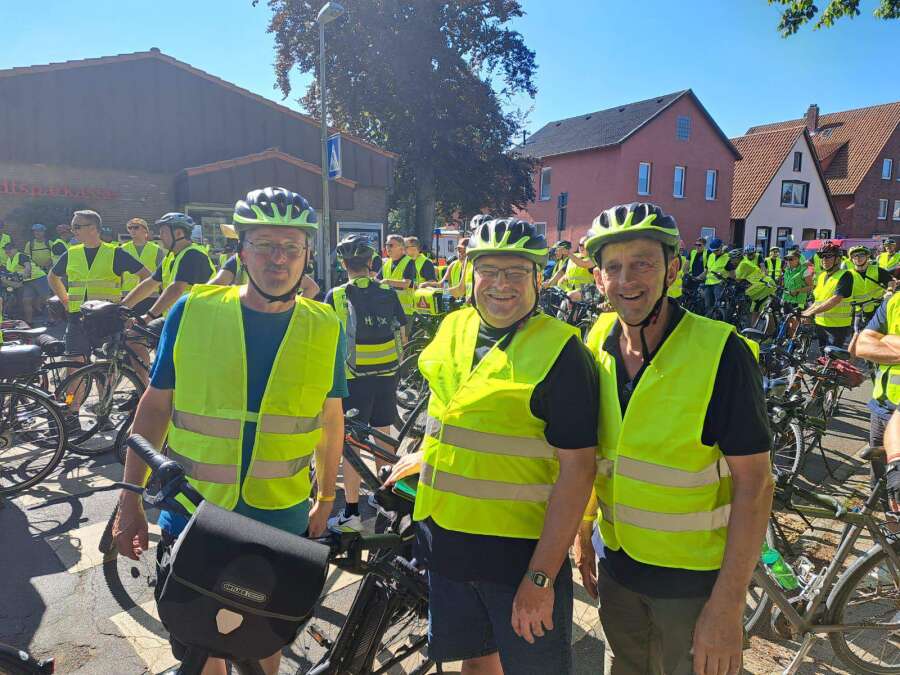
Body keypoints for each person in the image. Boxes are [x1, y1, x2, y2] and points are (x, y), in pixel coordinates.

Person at [112, 187, 347, 675]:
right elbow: (154, 408)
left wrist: (327, 498)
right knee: (201, 643)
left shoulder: (326, 324)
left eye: (291, 248)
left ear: (307, 255)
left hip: (279, 514)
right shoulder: (193, 310)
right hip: (194, 507)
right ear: (241, 251)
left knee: (263, 640)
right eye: (264, 245)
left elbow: (330, 419)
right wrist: (129, 499)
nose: (277, 259)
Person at [385, 218, 598, 674]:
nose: (501, 285)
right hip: (447, 540)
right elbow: (451, 408)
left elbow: (578, 472)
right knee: (477, 661)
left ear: (538, 279)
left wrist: (540, 577)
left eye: (516, 273)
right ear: (471, 274)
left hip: (518, 557)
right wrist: (427, 452)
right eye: (489, 271)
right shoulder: (455, 326)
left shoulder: (563, 354)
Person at [574, 201, 773, 675]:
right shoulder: (598, 340)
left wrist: (727, 607)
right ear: (598, 279)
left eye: (643, 262)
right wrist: (584, 533)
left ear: (673, 269)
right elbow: (598, 455)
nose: (627, 280)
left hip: (692, 583)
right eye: (613, 267)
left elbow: (756, 485)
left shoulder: (721, 351)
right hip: (618, 567)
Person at [325, 234, 406, 531]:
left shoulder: (335, 295)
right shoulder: (387, 291)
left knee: (353, 445)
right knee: (383, 436)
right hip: (387, 373)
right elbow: (402, 332)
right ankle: (384, 496)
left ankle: (351, 514)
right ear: (372, 263)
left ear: (343, 264)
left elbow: (328, 340)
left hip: (353, 379)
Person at [48, 210, 150, 359]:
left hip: (107, 319)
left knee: (104, 368)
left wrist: (126, 305)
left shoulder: (115, 252)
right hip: (76, 318)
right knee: (73, 366)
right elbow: (52, 277)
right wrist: (65, 300)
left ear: (93, 228)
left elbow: (147, 277)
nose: (73, 231)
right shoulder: (71, 253)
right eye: (72, 227)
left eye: (77, 227)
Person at [122, 213, 215, 322]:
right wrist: (122, 307)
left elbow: (176, 289)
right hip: (177, 318)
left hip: (196, 320)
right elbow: (150, 283)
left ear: (178, 233)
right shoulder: (170, 257)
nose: (160, 236)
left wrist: (148, 317)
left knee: (136, 334)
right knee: (133, 333)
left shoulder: (193, 255)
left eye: (163, 232)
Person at [802, 240, 854, 348]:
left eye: (828, 256)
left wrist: (812, 312)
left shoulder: (845, 275)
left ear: (838, 259)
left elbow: (835, 299)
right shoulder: (822, 277)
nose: (824, 259)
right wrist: (806, 312)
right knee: (822, 357)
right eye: (822, 257)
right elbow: (818, 300)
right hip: (820, 323)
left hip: (837, 326)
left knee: (832, 360)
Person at [120, 218, 165, 316]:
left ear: (145, 230)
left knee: (148, 328)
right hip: (127, 295)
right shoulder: (123, 249)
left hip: (150, 296)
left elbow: (163, 274)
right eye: (130, 228)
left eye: (136, 227)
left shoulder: (156, 250)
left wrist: (164, 295)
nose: (132, 230)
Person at [4, 239, 50, 324]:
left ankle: (52, 320)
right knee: (26, 301)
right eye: (6, 249)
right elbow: (12, 275)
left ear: (15, 249)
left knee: (47, 300)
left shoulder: (21, 256)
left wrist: (26, 273)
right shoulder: (8, 261)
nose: (7, 251)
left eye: (9, 249)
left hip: (39, 278)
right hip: (27, 282)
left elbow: (28, 267)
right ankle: (29, 322)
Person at [847, 245, 893, 324]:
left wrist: (889, 290)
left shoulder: (877, 270)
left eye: (861, 255)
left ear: (867, 256)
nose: (858, 258)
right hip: (857, 310)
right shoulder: (848, 274)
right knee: (857, 333)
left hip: (877, 308)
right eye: (855, 256)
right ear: (851, 259)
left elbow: (890, 281)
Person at [735, 245, 775, 326]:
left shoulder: (758, 256)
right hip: (751, 281)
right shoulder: (744, 260)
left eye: (752, 254)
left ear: (754, 252)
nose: (750, 256)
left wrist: (762, 277)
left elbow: (763, 268)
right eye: (748, 254)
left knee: (759, 307)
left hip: (760, 282)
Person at [380, 233, 417, 317]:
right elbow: (377, 280)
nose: (387, 248)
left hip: (404, 311)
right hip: (388, 310)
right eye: (386, 245)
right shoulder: (387, 263)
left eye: (391, 245)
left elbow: (406, 284)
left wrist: (387, 282)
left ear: (401, 247)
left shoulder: (409, 262)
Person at [702, 238, 729, 314]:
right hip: (709, 283)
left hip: (719, 284)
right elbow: (706, 270)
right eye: (713, 250)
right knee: (708, 305)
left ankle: (718, 319)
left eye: (716, 250)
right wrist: (698, 277)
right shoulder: (711, 256)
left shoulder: (727, 257)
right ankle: (709, 320)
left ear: (721, 247)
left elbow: (732, 272)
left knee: (718, 306)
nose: (714, 252)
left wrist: (725, 280)